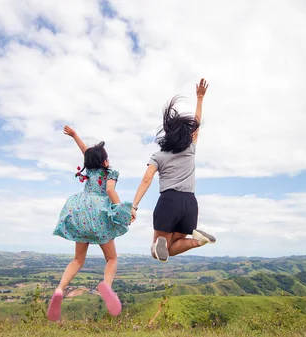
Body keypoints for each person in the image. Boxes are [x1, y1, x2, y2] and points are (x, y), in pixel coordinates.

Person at [47, 126, 132, 321]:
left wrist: (75, 135)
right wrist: (121, 210)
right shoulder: (110, 173)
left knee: (77, 260)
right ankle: (106, 287)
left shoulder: (91, 169)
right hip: (99, 214)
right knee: (111, 258)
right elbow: (110, 192)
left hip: (81, 210)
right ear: (104, 161)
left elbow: (85, 150)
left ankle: (60, 289)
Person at [130, 78, 216, 262]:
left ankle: (160, 241)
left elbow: (146, 180)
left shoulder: (158, 156)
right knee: (175, 245)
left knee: (158, 250)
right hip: (190, 203)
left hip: (169, 201)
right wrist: (200, 98)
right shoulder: (190, 150)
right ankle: (197, 241)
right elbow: (196, 124)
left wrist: (134, 206)